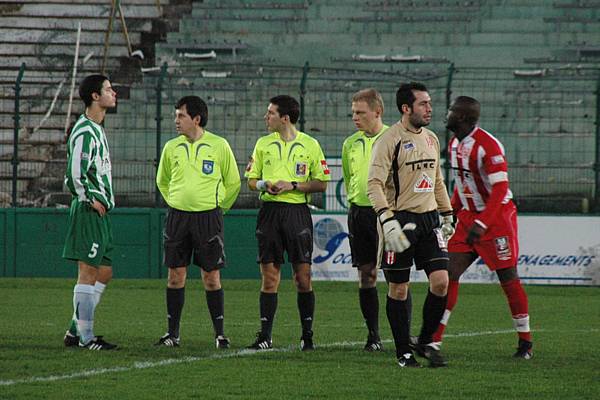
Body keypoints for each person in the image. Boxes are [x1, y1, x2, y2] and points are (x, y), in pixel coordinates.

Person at [432, 95, 533, 359]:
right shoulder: (454, 144)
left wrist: (483, 222)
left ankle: (525, 341)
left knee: (507, 278)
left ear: (463, 117)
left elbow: (500, 189)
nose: (447, 113)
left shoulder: (488, 146)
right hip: (468, 219)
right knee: (448, 273)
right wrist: (449, 213)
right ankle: (434, 339)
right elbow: (462, 185)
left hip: (496, 219)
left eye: (452, 110)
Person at [367, 82, 455, 368]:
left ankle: (426, 340)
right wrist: (385, 218)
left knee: (441, 281)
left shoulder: (431, 138)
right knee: (399, 289)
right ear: (406, 108)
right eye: (423, 104)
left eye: (429, 103)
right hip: (399, 220)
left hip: (429, 219)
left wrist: (447, 214)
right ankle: (403, 351)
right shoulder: (389, 140)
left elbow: (437, 180)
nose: (429, 108)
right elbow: (374, 183)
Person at [245, 95, 330, 351]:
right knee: (269, 276)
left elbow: (322, 183)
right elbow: (251, 179)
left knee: (302, 277)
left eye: (270, 113)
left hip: (297, 213)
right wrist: (264, 184)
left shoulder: (310, 145)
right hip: (269, 212)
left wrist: (293, 185)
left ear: (285, 118)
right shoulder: (263, 144)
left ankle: (307, 335)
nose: (265, 117)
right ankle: (265, 336)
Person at [155, 95, 241, 349]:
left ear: (196, 119)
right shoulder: (171, 148)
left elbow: (233, 182)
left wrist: (218, 208)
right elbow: (163, 181)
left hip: (208, 218)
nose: (176, 121)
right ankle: (172, 334)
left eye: (181, 115)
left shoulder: (219, 145)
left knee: (211, 277)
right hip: (177, 218)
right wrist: (175, 201)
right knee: (175, 275)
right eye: (175, 115)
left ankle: (220, 334)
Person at [62, 74, 118, 350]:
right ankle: (86, 337)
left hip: (100, 213)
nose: (113, 93)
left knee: (104, 272)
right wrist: (89, 198)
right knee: (87, 273)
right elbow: (73, 176)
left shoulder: (96, 128)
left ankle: (76, 329)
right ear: (95, 96)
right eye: (108, 89)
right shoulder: (85, 131)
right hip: (88, 211)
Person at [341, 88, 389, 351]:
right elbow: (350, 179)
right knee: (367, 274)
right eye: (353, 113)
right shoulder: (350, 143)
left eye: (360, 113)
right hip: (359, 213)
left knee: (396, 277)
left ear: (377, 112)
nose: (355, 118)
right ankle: (373, 335)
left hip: (388, 215)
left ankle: (402, 334)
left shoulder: (394, 138)